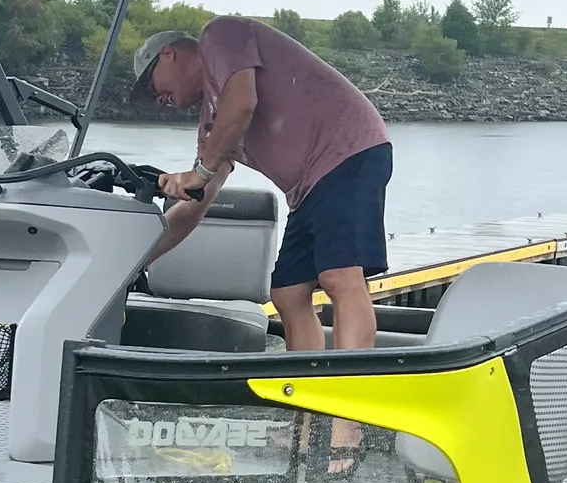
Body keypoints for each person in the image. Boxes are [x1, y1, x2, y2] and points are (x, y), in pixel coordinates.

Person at [131, 18, 392, 351]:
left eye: (152, 88)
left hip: (348, 148)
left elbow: (242, 102)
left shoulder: (218, 36)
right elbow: (198, 201)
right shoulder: (213, 126)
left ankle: (351, 393)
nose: (157, 100)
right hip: (308, 188)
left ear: (168, 54)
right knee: (288, 293)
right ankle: (306, 394)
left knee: (340, 277)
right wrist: (137, 255)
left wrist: (200, 172)